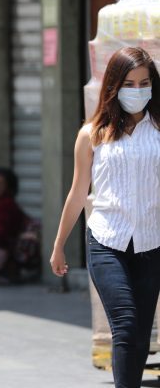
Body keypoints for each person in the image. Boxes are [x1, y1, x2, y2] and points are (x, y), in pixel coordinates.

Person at [51, 46, 160, 388]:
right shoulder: (92, 134)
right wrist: (59, 246)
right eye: (129, 83)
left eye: (145, 83)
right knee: (125, 324)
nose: (138, 90)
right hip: (106, 241)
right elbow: (78, 192)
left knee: (141, 334)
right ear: (113, 85)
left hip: (151, 242)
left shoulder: (158, 129)